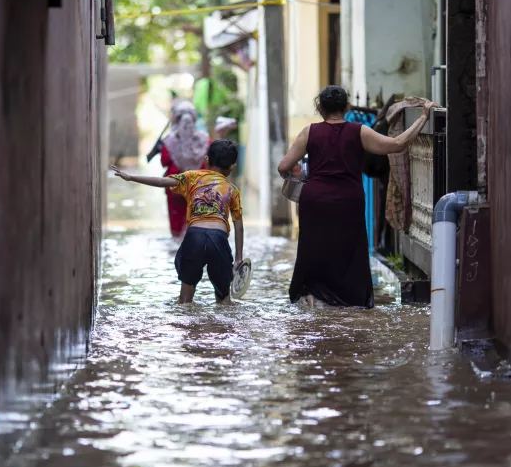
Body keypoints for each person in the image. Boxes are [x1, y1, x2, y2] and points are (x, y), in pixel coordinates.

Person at [277, 85, 437, 308]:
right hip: (347, 200)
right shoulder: (359, 131)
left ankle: (312, 295)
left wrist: (295, 175)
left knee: (313, 246)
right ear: (347, 107)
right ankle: (349, 300)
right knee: (348, 249)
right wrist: (423, 116)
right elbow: (398, 144)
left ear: (320, 108)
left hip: (315, 200)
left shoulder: (309, 132)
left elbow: (283, 166)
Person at [111, 139, 244, 305]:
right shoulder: (233, 190)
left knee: (185, 301)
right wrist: (238, 257)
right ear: (233, 166)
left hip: (194, 236)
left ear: (207, 159)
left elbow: (161, 182)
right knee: (224, 301)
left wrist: (131, 177)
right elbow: (239, 226)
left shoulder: (192, 177)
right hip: (219, 238)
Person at [160, 100, 211, 240]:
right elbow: (211, 162)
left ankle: (177, 247)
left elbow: (164, 162)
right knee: (198, 219)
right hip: (199, 187)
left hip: (174, 186)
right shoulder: (205, 139)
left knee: (177, 223)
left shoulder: (169, 141)